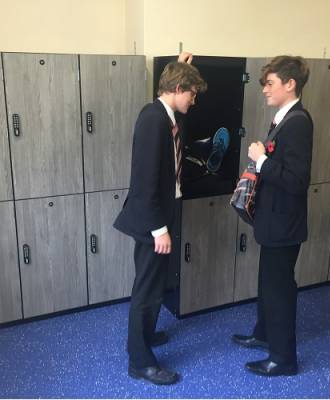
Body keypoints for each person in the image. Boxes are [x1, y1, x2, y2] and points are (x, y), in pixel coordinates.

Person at [113, 52, 206, 385]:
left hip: (163, 214)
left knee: (155, 284)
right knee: (147, 289)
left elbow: (174, 145)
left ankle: (146, 337)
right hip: (153, 221)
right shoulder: (153, 119)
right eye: (191, 93)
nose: (193, 101)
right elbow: (144, 181)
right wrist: (159, 229)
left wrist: (180, 62)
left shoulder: (167, 116)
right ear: (178, 88)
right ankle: (140, 362)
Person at [232, 55, 313, 376]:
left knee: (279, 289)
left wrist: (262, 160)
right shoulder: (284, 118)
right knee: (268, 284)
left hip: (284, 224)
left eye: (270, 83)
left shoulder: (299, 123)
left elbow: (297, 181)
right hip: (273, 221)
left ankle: (283, 358)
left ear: (290, 84)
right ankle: (264, 334)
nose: (264, 89)